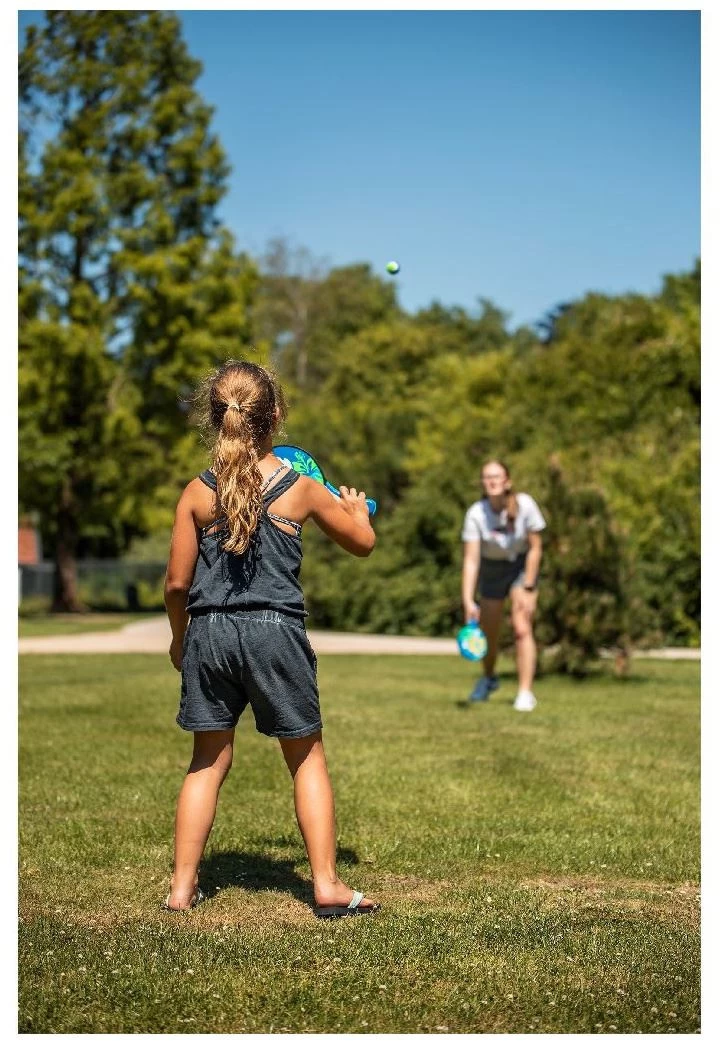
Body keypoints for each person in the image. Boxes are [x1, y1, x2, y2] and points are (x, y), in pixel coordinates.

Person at [163, 360, 379, 918]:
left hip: (209, 634)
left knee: (206, 762)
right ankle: (327, 886)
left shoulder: (196, 494)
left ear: (216, 418)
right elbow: (362, 543)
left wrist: (180, 639)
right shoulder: (301, 489)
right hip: (275, 633)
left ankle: (181, 890)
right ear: (276, 415)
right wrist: (357, 512)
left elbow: (177, 585)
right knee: (305, 758)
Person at [461, 460, 546, 712]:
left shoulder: (525, 505)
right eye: (487, 477)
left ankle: (525, 692)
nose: (492, 481)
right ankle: (488, 678)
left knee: (522, 626)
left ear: (507, 481)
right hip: (492, 569)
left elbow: (536, 548)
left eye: (496, 476)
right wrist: (468, 600)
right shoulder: (476, 514)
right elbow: (471, 561)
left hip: (521, 567)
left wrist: (529, 586)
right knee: (489, 633)